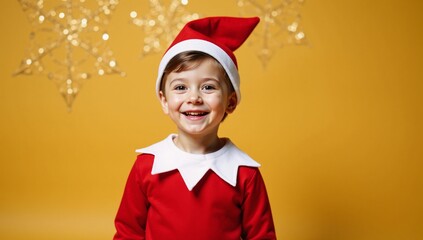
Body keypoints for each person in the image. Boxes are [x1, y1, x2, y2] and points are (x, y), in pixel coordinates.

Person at [114, 16, 276, 240]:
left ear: (230, 102)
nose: (194, 98)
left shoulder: (245, 173)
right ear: (164, 100)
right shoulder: (147, 166)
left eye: (208, 87)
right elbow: (128, 232)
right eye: (180, 87)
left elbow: (261, 236)